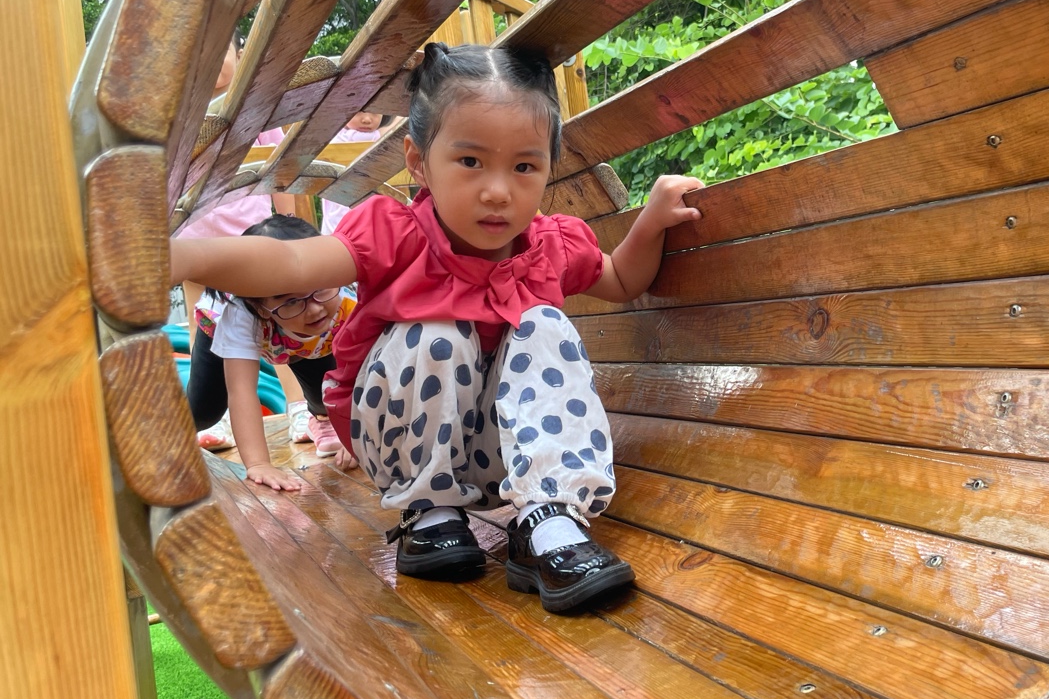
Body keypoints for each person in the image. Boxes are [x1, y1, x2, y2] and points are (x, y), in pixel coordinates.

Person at [172, 42, 703, 612]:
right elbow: (293, 261)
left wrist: (651, 219)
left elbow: (620, 279)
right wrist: (178, 256)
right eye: (470, 161)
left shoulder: (550, 245)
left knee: (544, 324)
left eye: (524, 166)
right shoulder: (396, 235)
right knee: (438, 333)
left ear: (548, 168)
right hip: (405, 441)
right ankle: (429, 513)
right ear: (419, 161)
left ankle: (547, 520)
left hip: (508, 454)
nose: (497, 190)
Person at [175, 32, 299, 449]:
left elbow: (280, 170)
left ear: (240, 55)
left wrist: (286, 222)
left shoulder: (255, 106)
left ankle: (300, 405)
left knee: (278, 321)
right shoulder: (181, 112)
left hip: (249, 234)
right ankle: (220, 420)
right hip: (194, 239)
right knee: (203, 331)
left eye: (218, 51)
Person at [187, 215, 359, 491]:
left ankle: (321, 420)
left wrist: (358, 438)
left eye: (319, 288)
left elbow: (366, 377)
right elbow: (242, 391)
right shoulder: (241, 316)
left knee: (326, 397)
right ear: (259, 304)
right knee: (204, 412)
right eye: (291, 300)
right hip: (230, 333)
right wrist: (258, 464)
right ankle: (166, 434)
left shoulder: (348, 298)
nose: (314, 308)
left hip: (307, 340)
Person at [321, 110, 386, 235]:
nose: (367, 119)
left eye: (375, 111)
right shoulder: (349, 137)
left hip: (335, 221)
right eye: (359, 111)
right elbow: (392, 131)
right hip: (348, 224)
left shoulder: (335, 134)